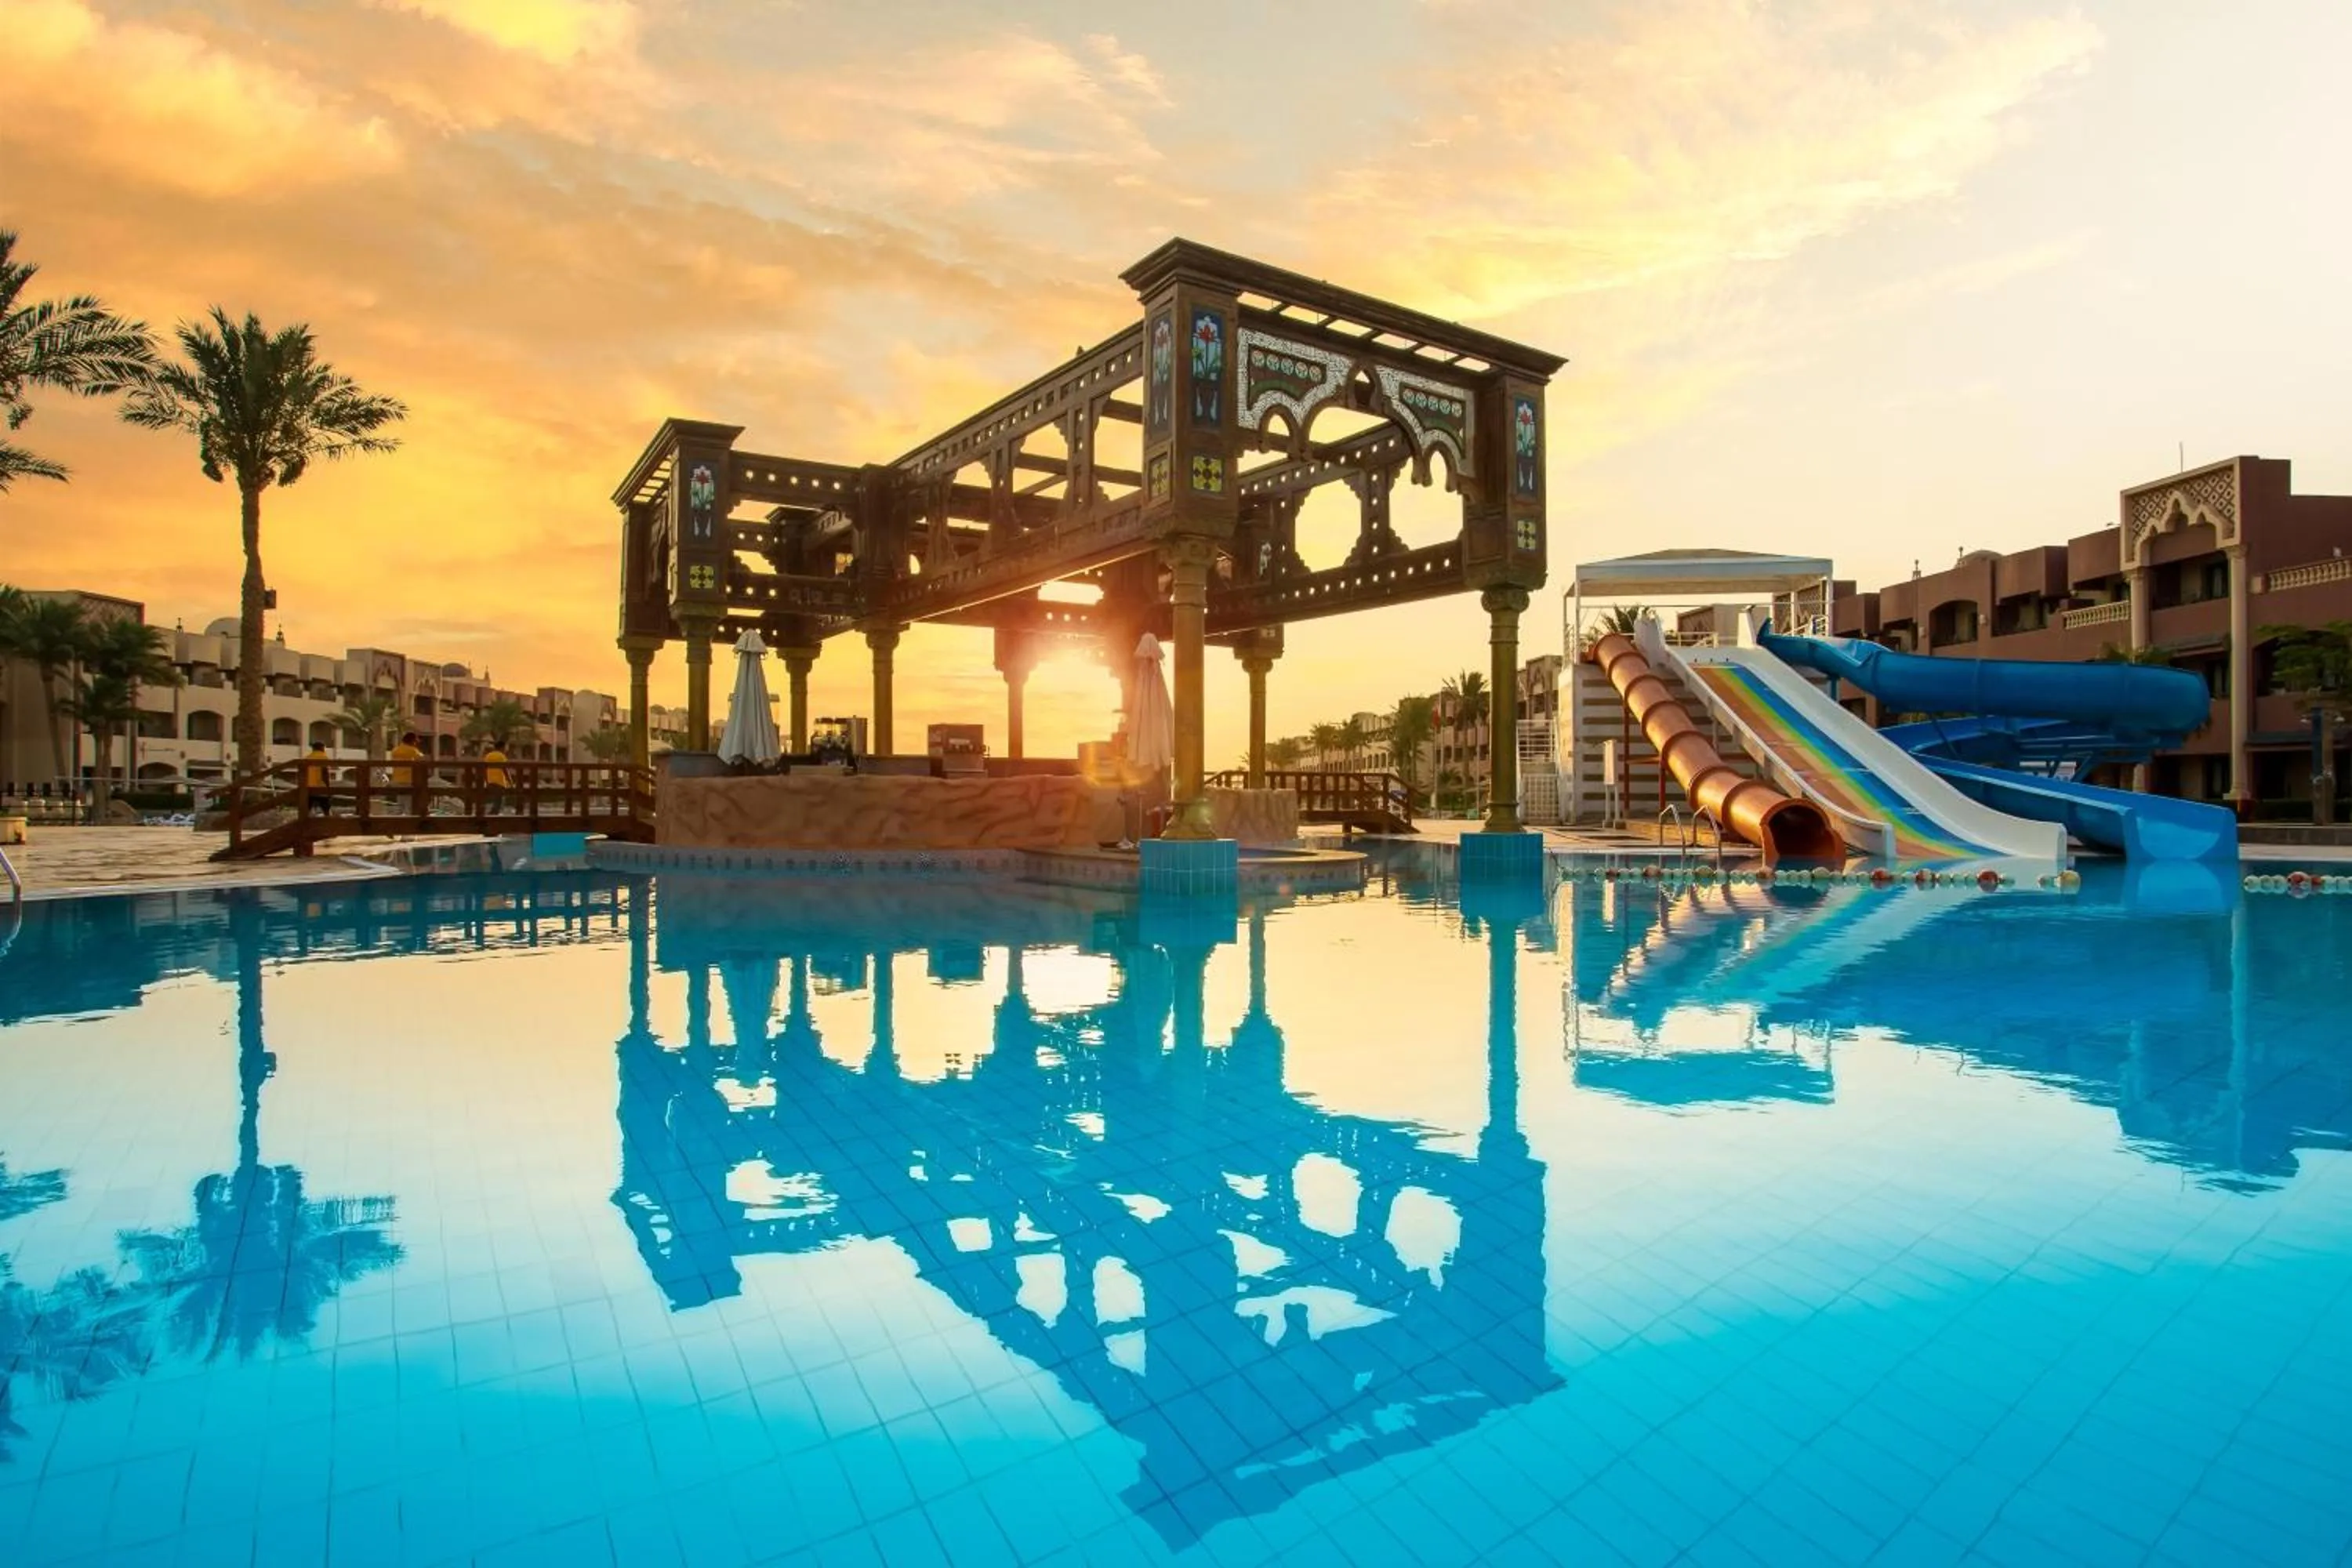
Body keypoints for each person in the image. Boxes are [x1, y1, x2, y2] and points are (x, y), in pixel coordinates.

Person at [388, 731, 426, 808]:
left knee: (400, 803)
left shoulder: (395, 750)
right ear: (412, 741)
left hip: (396, 780)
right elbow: (422, 759)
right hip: (408, 780)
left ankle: (400, 815)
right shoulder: (413, 751)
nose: (416, 744)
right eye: (415, 742)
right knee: (409, 804)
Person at [481, 739, 511, 814]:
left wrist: (486, 781)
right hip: (500, 782)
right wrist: (510, 781)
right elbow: (505, 769)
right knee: (499, 800)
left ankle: (491, 812)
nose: (505, 750)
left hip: (490, 781)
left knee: (496, 799)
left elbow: (484, 770)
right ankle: (493, 814)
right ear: (502, 747)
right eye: (505, 748)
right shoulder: (502, 756)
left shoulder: (488, 756)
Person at [303, 742, 334, 816]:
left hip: (309, 787)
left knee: (306, 810)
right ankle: (329, 822)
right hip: (321, 786)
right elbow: (325, 773)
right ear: (321, 748)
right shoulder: (324, 757)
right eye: (324, 748)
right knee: (326, 810)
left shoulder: (307, 758)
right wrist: (328, 787)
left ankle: (303, 822)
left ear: (313, 749)